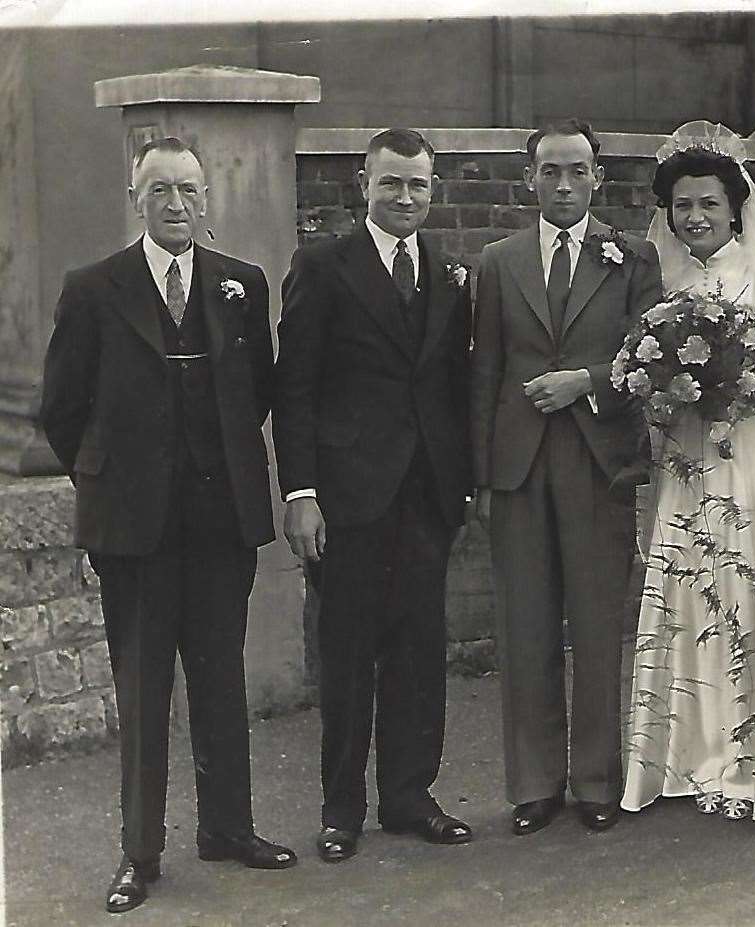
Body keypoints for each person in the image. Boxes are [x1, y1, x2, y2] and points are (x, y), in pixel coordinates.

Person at [39, 137, 296, 914]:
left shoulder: (239, 286)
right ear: (135, 197)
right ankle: (139, 852)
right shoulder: (94, 288)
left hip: (220, 522)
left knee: (221, 680)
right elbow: (61, 409)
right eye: (160, 191)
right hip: (134, 530)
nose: (177, 204)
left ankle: (228, 828)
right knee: (145, 689)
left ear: (207, 198)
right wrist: (115, 476)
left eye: (189, 189)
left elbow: (255, 394)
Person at [620, 122, 755, 823]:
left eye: (709, 204)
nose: (695, 218)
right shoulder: (661, 278)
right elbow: (645, 372)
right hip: (690, 460)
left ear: (734, 204)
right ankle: (689, 756)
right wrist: (666, 388)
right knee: (692, 588)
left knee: (753, 588)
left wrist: (744, 381)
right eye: (683, 205)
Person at [273, 128, 473, 862]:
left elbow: (452, 388)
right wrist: (301, 491)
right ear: (363, 184)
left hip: (426, 495)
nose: (406, 197)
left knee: (421, 649)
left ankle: (410, 795)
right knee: (349, 651)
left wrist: (462, 483)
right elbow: (294, 388)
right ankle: (341, 808)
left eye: (418, 184)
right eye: (392, 182)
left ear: (433, 189)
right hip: (348, 497)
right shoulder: (322, 268)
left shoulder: (447, 273)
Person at [471, 119, 663, 836]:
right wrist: (482, 477)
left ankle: (595, 781)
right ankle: (534, 782)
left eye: (576, 171)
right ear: (530, 180)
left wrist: (585, 379)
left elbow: (647, 351)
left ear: (597, 179)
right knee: (525, 628)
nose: (563, 184)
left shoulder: (632, 257)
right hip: (518, 465)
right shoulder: (499, 261)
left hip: (596, 461)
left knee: (596, 620)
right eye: (550, 171)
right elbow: (484, 372)